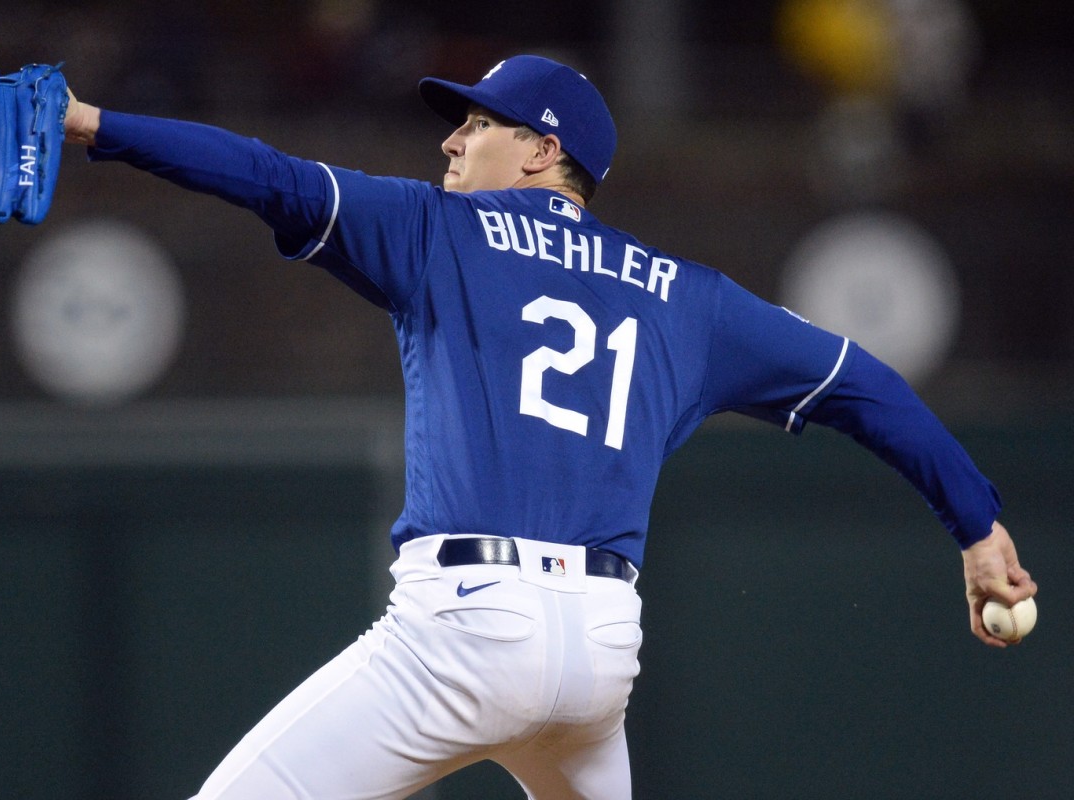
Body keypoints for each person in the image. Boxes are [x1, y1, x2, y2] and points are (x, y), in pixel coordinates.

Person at [60, 54, 1035, 799]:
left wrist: (90, 122)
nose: (450, 142)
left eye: (477, 123)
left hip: (465, 629)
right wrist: (978, 526)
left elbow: (264, 174)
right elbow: (861, 381)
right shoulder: (688, 300)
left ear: (543, 150)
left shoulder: (435, 230)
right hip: (600, 653)